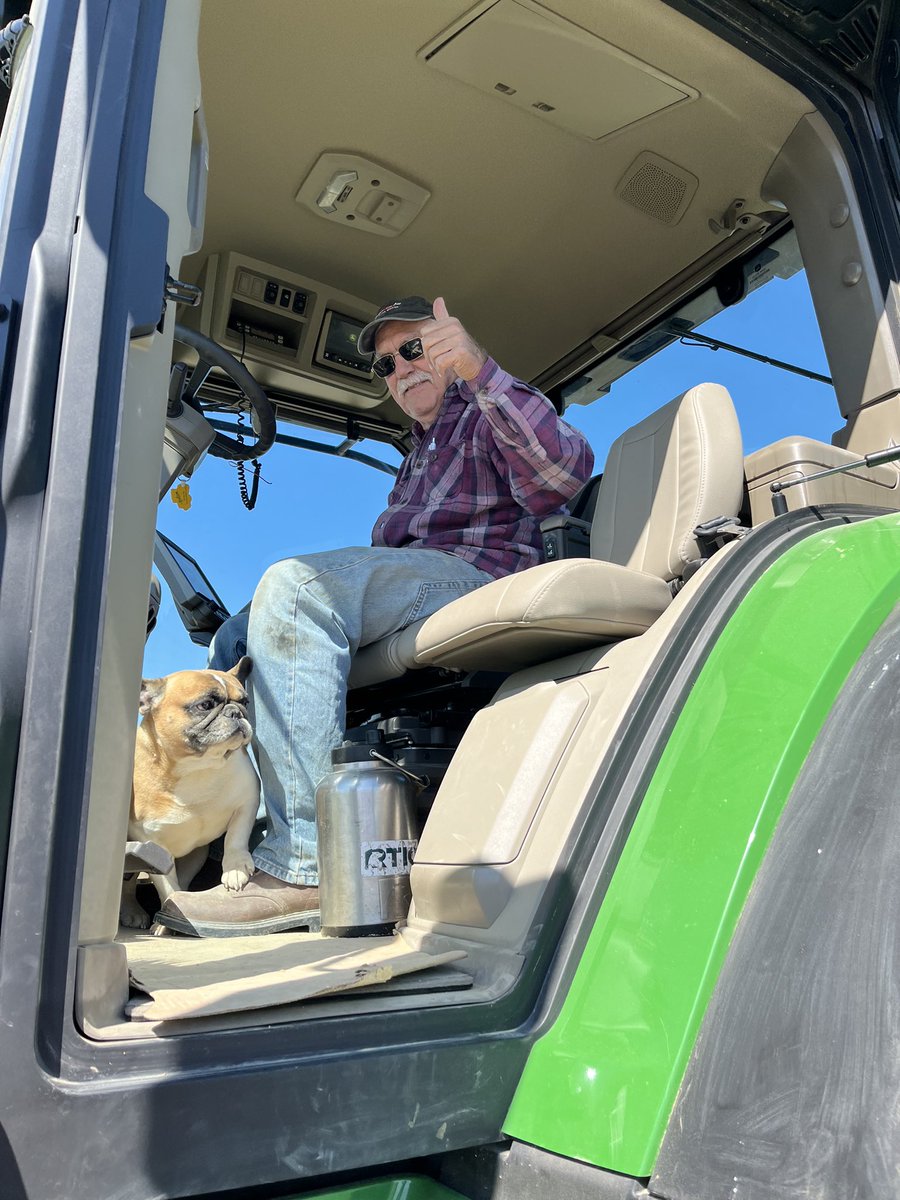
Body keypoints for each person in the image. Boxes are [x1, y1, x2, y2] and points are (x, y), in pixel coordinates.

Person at [158, 296, 594, 936]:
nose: (400, 369)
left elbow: (563, 474)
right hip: (421, 579)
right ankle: (241, 842)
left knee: (297, 589)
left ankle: (306, 866)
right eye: (388, 364)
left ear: (447, 346)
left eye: (413, 349)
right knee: (234, 637)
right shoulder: (417, 450)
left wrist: (481, 371)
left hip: (478, 574)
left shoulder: (488, 408)